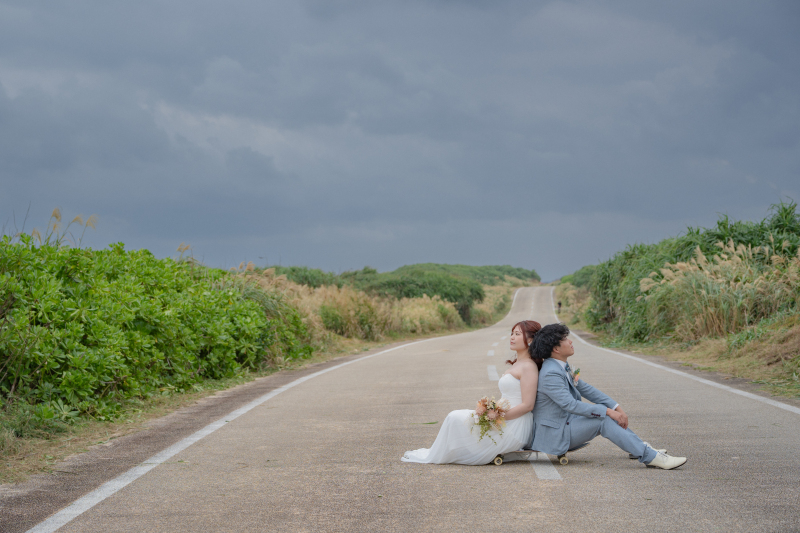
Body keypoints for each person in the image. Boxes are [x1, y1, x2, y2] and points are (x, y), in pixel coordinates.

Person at [529, 323, 687, 470]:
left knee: (605, 413)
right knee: (603, 418)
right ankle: (650, 456)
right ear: (556, 349)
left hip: (567, 423)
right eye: (565, 339)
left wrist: (616, 407)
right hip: (557, 433)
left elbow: (587, 389)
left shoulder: (561, 366)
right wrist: (608, 411)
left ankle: (639, 447)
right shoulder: (551, 373)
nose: (571, 341)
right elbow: (570, 405)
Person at [402, 320, 541, 465]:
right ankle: (442, 452)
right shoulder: (518, 363)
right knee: (455, 417)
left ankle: (445, 453)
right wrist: (492, 412)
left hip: (515, 425)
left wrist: (497, 417)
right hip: (505, 419)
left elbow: (527, 405)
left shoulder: (529, 367)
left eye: (517, 334)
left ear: (530, 339)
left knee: (454, 417)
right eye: (512, 333)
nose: (512, 337)